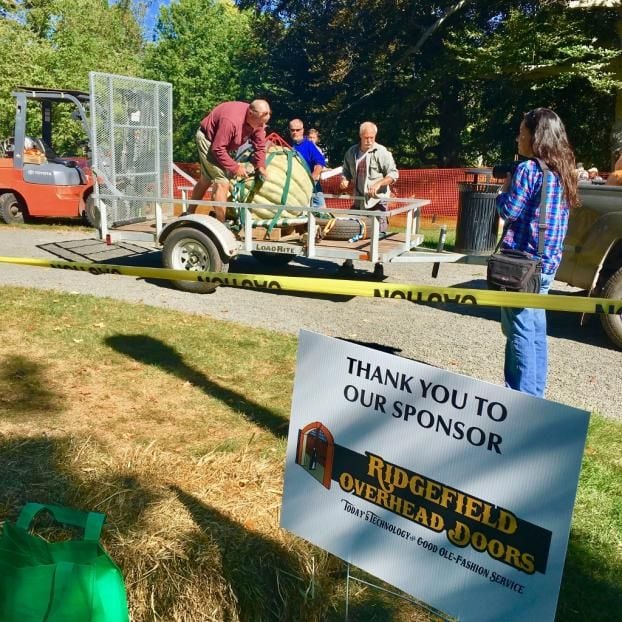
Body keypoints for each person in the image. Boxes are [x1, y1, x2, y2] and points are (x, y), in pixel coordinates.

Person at [495, 108, 577, 397]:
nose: (518, 138)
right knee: (535, 332)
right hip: (547, 264)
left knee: (519, 332)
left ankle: (524, 399)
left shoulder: (528, 170)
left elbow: (509, 211)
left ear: (536, 136)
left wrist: (502, 190)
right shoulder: (564, 170)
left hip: (521, 266)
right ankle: (533, 392)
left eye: (522, 132)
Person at [189, 99, 271, 221]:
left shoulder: (257, 120)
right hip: (208, 140)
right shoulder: (231, 121)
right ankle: (220, 225)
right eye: (260, 123)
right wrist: (235, 167)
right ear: (250, 114)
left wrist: (260, 166)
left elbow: (260, 145)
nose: (261, 126)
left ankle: (189, 212)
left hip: (220, 144)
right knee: (222, 181)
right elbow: (218, 148)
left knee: (206, 179)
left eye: (263, 124)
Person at [338, 122, 398, 276]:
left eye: (372, 137)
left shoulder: (382, 152)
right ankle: (348, 263)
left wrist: (379, 184)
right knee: (351, 229)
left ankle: (378, 266)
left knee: (378, 233)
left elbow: (393, 174)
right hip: (359, 199)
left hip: (377, 200)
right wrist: (344, 179)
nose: (369, 141)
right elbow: (345, 170)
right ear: (360, 136)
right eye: (366, 137)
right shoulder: (351, 152)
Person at [288, 118, 327, 208]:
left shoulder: (309, 145)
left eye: (298, 130)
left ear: (302, 130)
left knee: (321, 213)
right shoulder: (287, 145)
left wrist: (311, 179)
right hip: (293, 187)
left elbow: (320, 163)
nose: (295, 132)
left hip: (312, 187)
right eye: (292, 130)